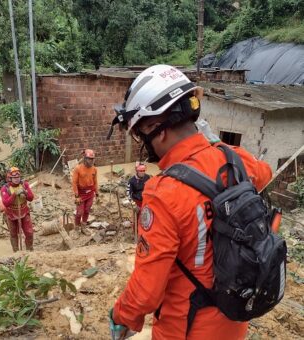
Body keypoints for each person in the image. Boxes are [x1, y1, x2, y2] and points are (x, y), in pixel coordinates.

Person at [107, 65, 272, 339]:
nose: (142, 141)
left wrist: (122, 315)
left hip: (185, 327)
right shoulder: (234, 160)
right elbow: (264, 172)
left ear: (157, 131)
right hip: (234, 318)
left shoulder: (163, 194)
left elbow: (147, 292)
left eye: (140, 133)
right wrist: (216, 148)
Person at [1, 167, 34, 252]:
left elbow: (31, 198)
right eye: (14, 178)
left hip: (24, 212)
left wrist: (25, 192)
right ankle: (16, 252)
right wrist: (14, 194)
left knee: (29, 233)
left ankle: (29, 250)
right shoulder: (5, 188)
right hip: (11, 214)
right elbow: (6, 203)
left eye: (18, 177)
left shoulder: (24, 185)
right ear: (9, 178)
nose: (17, 179)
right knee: (13, 234)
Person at [72, 149, 98, 234]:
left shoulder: (94, 169)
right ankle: (76, 228)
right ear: (84, 158)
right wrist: (76, 196)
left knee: (87, 210)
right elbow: (74, 183)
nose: (91, 161)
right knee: (80, 212)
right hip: (81, 194)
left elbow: (95, 181)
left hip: (90, 193)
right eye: (89, 159)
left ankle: (84, 227)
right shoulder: (78, 169)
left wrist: (96, 192)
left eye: (92, 159)